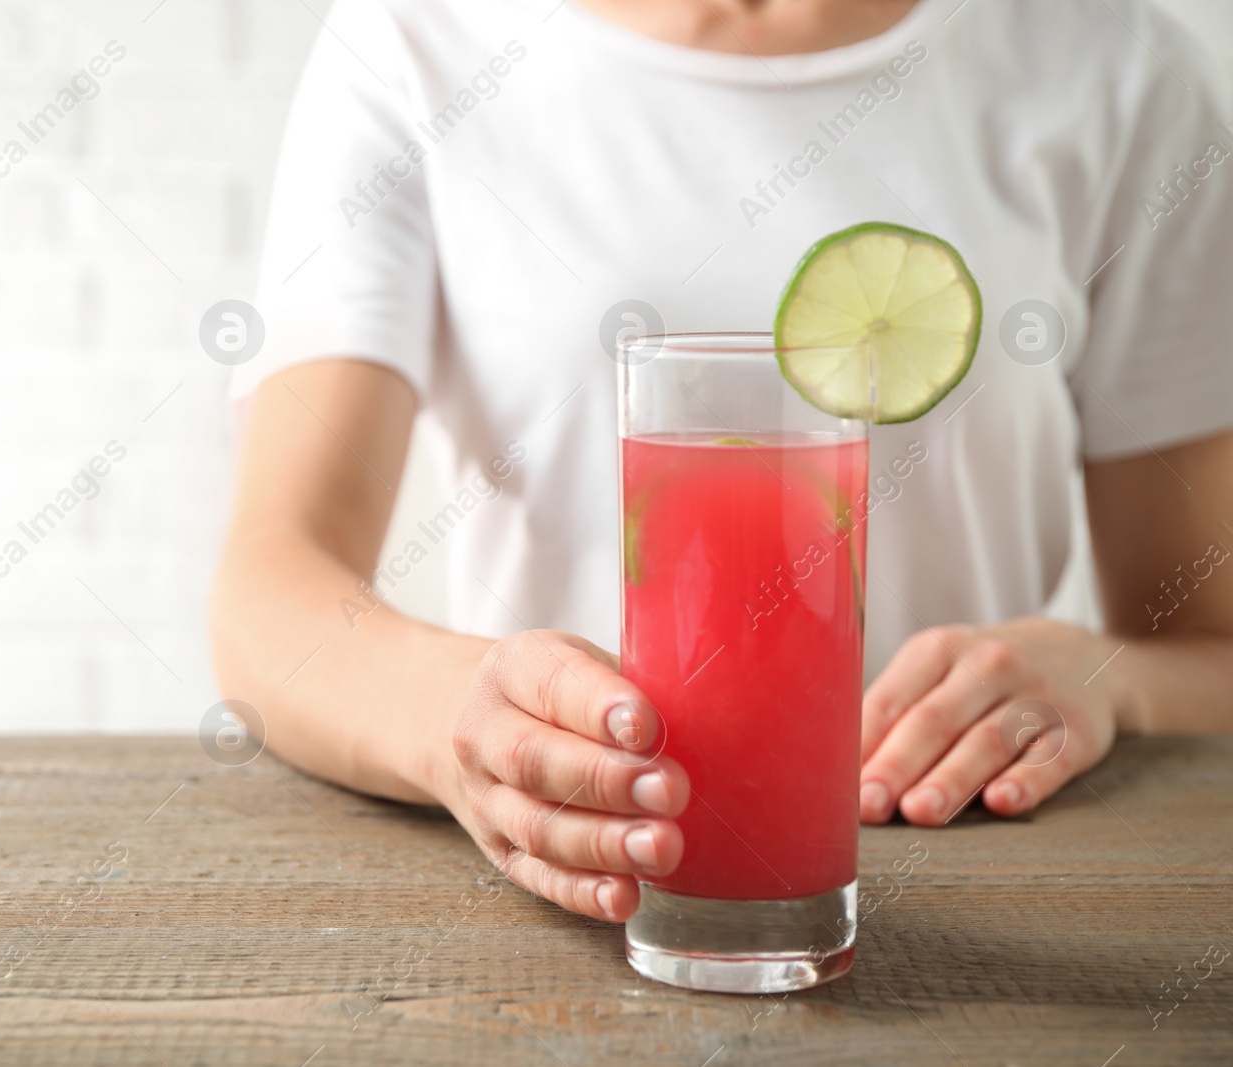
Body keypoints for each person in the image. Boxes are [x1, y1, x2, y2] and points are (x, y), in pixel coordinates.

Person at [211, 0, 1233, 923]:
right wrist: (464, 722)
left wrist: (1109, 680)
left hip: (992, 877)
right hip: (577, 881)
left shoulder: (1115, 65)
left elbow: (1210, 643)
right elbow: (271, 585)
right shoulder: (417, 40)